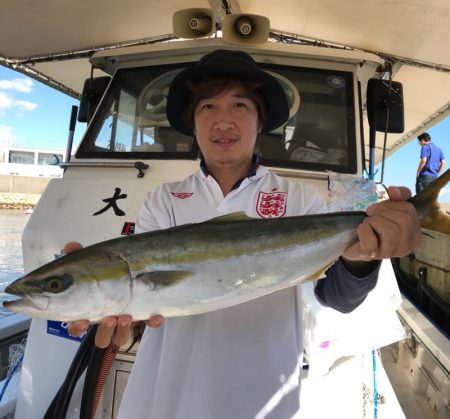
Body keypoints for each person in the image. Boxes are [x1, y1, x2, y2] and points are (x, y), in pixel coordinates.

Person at [68, 49, 421, 418]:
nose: (223, 121)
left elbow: (337, 297)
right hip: (166, 397)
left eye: (239, 106)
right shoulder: (164, 200)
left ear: (260, 120)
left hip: (263, 395)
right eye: (207, 107)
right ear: (192, 122)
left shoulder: (300, 200)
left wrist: (361, 258)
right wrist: (125, 329)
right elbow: (148, 312)